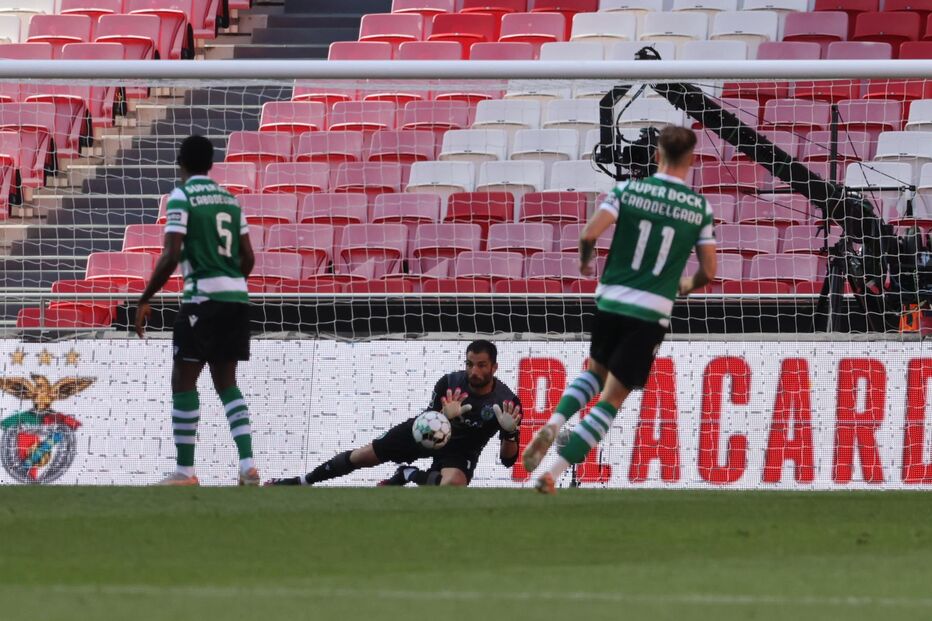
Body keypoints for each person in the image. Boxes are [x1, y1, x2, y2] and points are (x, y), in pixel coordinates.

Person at [521, 125, 717, 494]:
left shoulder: (627, 190)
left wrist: (584, 262)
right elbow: (708, 270)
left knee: (595, 373)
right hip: (651, 310)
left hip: (611, 298)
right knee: (612, 398)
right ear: (691, 159)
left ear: (657, 155)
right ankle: (553, 474)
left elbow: (588, 235)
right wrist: (687, 286)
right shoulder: (699, 208)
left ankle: (554, 421)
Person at [134, 134, 260, 487]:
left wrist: (145, 298)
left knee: (183, 379)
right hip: (236, 300)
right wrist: (230, 280)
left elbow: (171, 254)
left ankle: (186, 472)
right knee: (227, 382)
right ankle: (248, 465)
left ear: (181, 163)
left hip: (201, 301)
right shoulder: (231, 201)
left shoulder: (182, 196)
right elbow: (248, 257)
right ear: (211, 164)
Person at [266, 340, 522, 488]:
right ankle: (302, 481)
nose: (473, 371)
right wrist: (444, 415)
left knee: (452, 486)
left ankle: (408, 474)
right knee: (362, 456)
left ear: (494, 367)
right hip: (424, 433)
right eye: (469, 364)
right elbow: (427, 422)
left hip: (461, 450)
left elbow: (508, 461)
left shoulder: (507, 402)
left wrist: (510, 432)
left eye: (481, 365)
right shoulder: (449, 382)